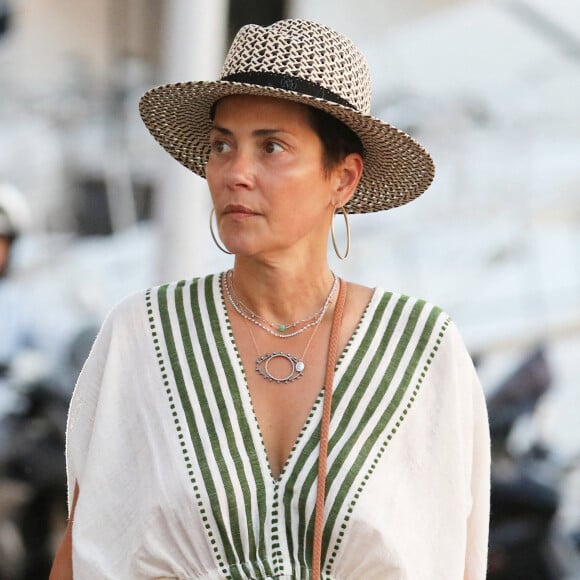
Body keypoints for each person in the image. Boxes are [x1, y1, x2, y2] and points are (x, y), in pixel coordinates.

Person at [51, 19, 490, 579]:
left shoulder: (423, 353)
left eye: (272, 147)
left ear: (344, 177)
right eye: (222, 146)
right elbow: (84, 552)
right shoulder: (144, 335)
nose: (236, 174)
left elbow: (452, 556)